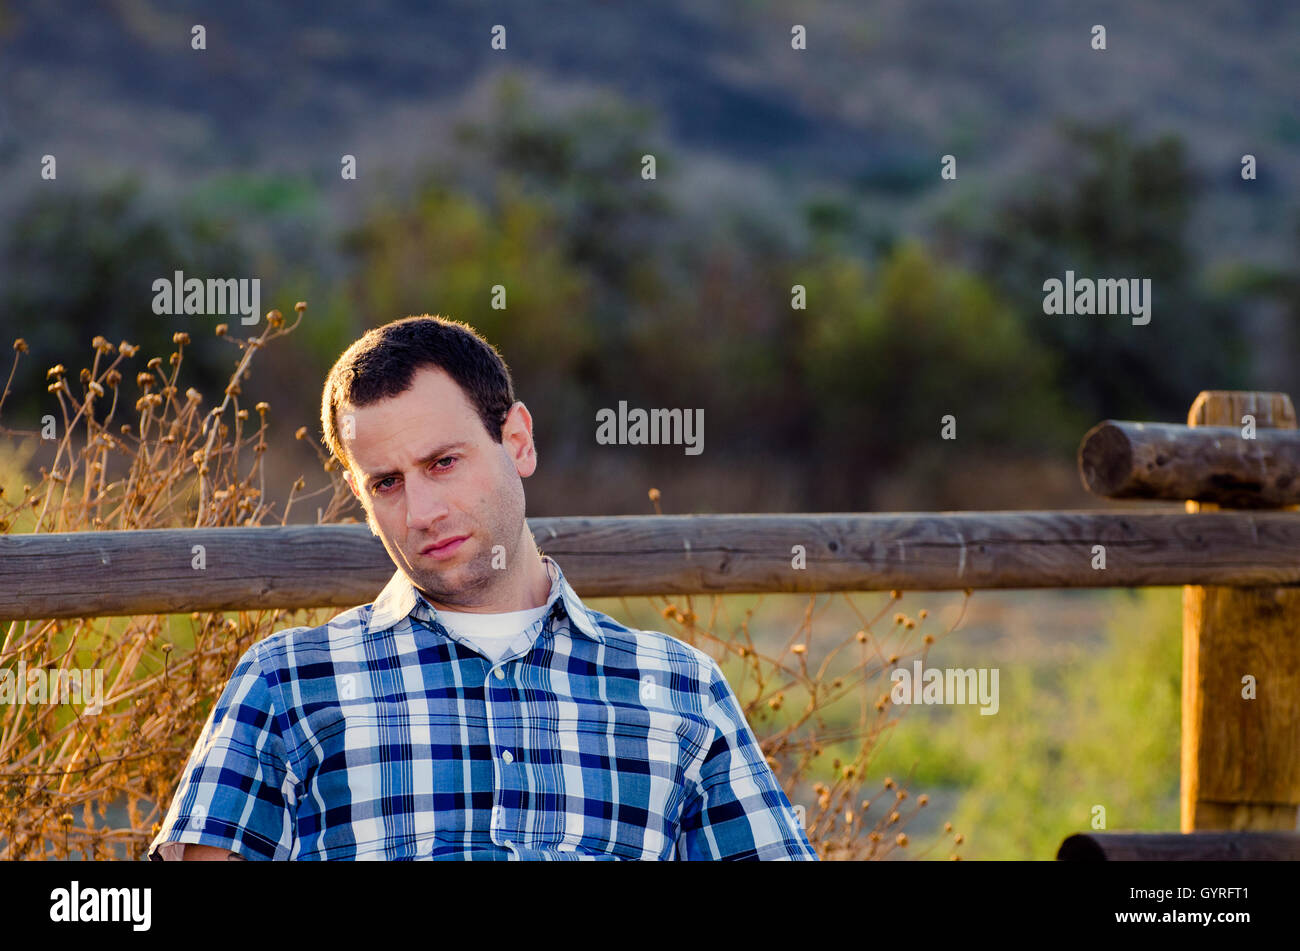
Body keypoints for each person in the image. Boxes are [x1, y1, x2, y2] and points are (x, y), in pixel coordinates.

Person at [147, 315, 817, 861]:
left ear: (517, 440)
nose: (421, 512)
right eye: (387, 482)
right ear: (360, 494)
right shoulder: (289, 683)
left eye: (443, 462)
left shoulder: (673, 686)